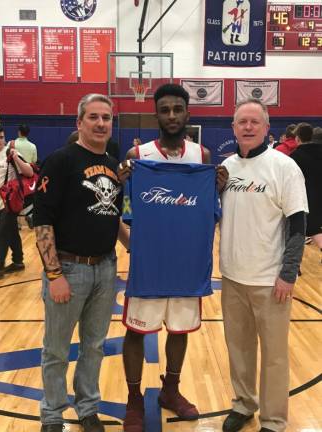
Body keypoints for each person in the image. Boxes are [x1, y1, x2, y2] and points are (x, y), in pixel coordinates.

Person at [117, 83, 228, 432]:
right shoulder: (139, 157)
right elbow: (125, 210)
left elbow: (213, 209)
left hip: (187, 264)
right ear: (156, 114)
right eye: (164, 110)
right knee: (136, 332)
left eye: (177, 109)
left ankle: (171, 390)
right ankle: (134, 399)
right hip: (149, 263)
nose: (171, 116)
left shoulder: (203, 157)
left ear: (188, 113)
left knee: (179, 331)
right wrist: (123, 185)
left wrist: (218, 187)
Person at [33, 93, 127, 432]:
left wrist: (137, 247)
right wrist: (54, 273)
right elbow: (42, 220)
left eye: (106, 117)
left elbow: (110, 214)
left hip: (106, 268)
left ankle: (88, 409)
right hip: (69, 270)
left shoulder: (115, 163)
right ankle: (53, 416)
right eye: (94, 117)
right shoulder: (61, 161)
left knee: (95, 346)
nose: (101, 123)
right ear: (79, 122)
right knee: (56, 350)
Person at [219, 98, 308, 432]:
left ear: (267, 128)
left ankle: (273, 420)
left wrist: (288, 274)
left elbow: (297, 225)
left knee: (273, 356)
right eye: (242, 121)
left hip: (270, 280)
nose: (248, 127)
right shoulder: (225, 168)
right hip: (232, 276)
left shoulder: (284, 167)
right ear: (233, 128)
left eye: (255, 122)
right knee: (238, 350)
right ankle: (243, 404)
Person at [0, 127, 34, 279]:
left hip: (9, 203)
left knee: (1, 235)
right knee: (12, 231)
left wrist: (16, 158)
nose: (0, 140)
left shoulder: (10, 153)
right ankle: (18, 261)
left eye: (1, 137)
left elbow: (30, 173)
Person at [291, 126, 322, 259]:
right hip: (318, 196)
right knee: (314, 230)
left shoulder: (295, 156)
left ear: (298, 138)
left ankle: (294, 264)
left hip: (305, 198)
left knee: (298, 231)